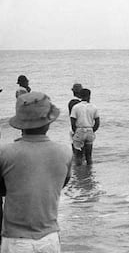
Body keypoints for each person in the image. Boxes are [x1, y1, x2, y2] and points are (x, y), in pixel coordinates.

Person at [0, 92, 72, 252]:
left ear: (20, 123)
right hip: (50, 239)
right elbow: (60, 185)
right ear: (48, 123)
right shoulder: (65, 153)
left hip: (15, 240)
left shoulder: (5, 153)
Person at [70, 88, 100, 165]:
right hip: (89, 130)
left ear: (80, 96)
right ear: (89, 96)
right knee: (89, 156)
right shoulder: (94, 107)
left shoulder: (76, 107)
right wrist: (92, 130)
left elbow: (73, 122)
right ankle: (89, 172)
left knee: (79, 156)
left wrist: (75, 132)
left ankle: (79, 173)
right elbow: (97, 123)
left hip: (79, 130)